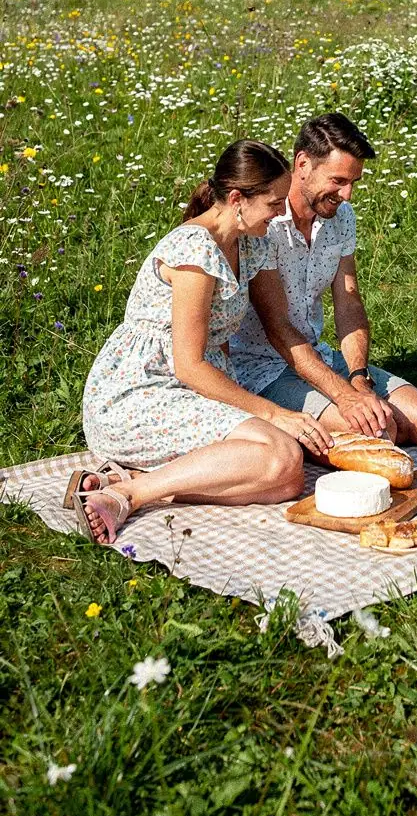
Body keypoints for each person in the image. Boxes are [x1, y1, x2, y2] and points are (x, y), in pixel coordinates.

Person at [71, 140, 335, 546]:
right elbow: (189, 364)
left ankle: (135, 479)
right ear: (236, 199)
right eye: (273, 203)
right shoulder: (195, 249)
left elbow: (267, 326)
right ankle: (128, 495)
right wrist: (271, 413)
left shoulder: (253, 242)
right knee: (281, 457)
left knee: (285, 476)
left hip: (191, 387)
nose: (281, 212)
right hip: (140, 390)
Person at [231, 113, 417, 446]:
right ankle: (279, 429)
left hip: (318, 355)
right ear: (302, 164)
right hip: (262, 367)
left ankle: (324, 435)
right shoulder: (264, 222)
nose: (347, 194)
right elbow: (277, 326)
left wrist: (358, 379)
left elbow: (349, 301)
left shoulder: (341, 217)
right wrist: (343, 396)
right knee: (378, 432)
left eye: (353, 183)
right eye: (338, 181)